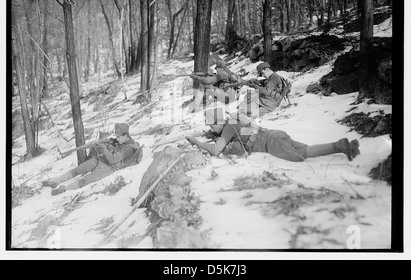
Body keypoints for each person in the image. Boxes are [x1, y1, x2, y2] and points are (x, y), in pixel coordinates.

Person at [186, 107, 360, 162]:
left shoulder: (229, 127)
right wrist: (214, 134)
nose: (211, 129)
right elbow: (238, 134)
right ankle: (343, 146)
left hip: (273, 144)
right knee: (306, 148)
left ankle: (340, 146)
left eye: (211, 125)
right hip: (276, 134)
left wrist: (196, 142)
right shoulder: (233, 121)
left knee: (302, 156)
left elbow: (216, 150)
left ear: (218, 121)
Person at [42, 123, 143, 196]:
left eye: (119, 137)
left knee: (84, 181)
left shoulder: (129, 148)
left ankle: (64, 189)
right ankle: (56, 181)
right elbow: (111, 147)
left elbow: (113, 160)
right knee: (78, 169)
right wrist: (105, 144)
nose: (117, 138)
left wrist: (103, 148)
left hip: (108, 168)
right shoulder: (119, 141)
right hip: (100, 160)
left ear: (126, 136)